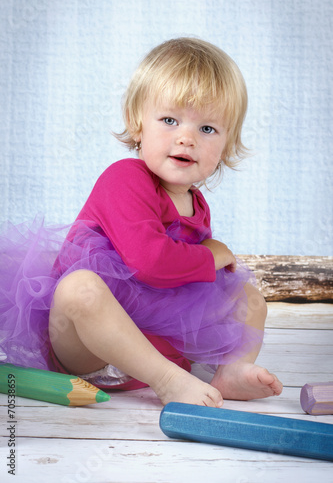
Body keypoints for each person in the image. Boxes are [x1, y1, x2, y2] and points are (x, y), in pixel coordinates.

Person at [0, 38, 283, 407]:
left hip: (153, 345)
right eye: (169, 120)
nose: (186, 138)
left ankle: (231, 369)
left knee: (249, 297)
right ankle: (167, 381)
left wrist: (213, 270)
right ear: (137, 125)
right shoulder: (125, 179)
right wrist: (212, 255)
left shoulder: (196, 204)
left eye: (208, 129)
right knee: (78, 289)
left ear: (226, 146)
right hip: (89, 349)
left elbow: (188, 283)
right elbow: (152, 263)